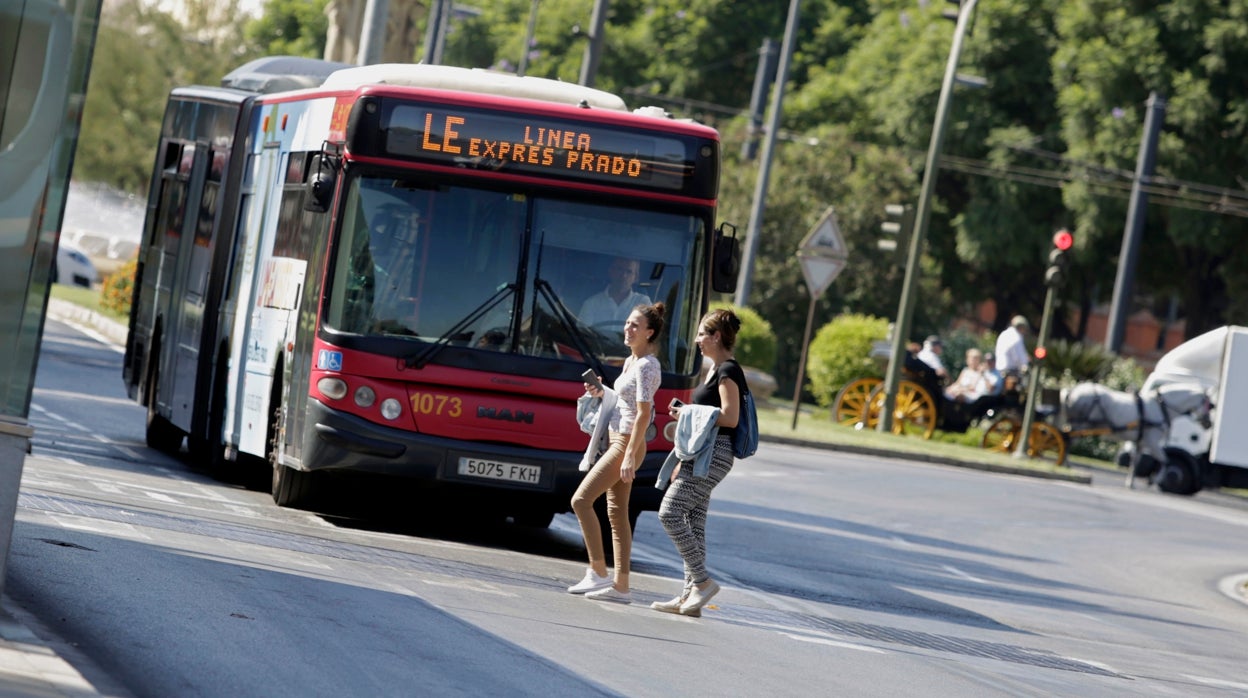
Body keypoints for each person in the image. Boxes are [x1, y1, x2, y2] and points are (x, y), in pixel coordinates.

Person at [566, 302, 665, 604]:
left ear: (649, 332)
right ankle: (621, 587)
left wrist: (630, 456)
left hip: (626, 443)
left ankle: (598, 570)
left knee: (581, 500)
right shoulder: (630, 362)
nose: (628, 328)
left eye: (636, 325)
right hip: (616, 439)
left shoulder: (648, 366)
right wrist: (602, 392)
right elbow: (624, 403)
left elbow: (643, 415)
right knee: (616, 513)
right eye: (627, 323)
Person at [652, 308, 747, 617]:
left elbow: (731, 417)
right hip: (700, 452)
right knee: (694, 522)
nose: (697, 340)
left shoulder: (728, 371)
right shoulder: (714, 369)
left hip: (715, 452)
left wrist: (688, 413)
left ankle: (702, 583)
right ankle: (688, 598)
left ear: (716, 336)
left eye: (702, 334)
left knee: (669, 513)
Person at [578, 257, 651, 327]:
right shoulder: (591, 304)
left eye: (629, 271)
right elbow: (582, 333)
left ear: (636, 277)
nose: (623, 275)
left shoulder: (643, 303)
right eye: (619, 269)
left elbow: (649, 332)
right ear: (611, 271)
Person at [995, 315, 1030, 388]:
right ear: (1022, 327)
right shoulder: (1016, 337)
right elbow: (1018, 357)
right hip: (1010, 372)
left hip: (999, 370)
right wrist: (1025, 364)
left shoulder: (1004, 333)